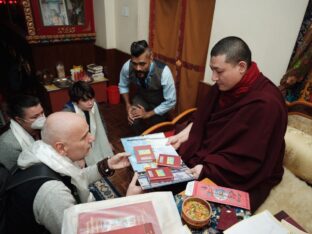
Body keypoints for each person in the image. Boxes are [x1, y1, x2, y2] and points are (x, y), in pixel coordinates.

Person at [168, 36, 287, 212]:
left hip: (233, 167)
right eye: (212, 70)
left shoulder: (266, 104)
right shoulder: (225, 85)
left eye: (219, 71)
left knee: (188, 205)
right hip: (212, 150)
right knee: (166, 173)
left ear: (241, 67)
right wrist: (189, 130)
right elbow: (204, 116)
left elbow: (249, 157)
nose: (214, 77)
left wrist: (207, 169)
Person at [6, 112, 141, 234]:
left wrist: (107, 165)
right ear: (61, 147)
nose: (92, 138)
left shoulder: (46, 152)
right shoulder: (53, 194)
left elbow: (77, 177)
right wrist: (129, 202)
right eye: (84, 137)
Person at [118, 40, 176, 134]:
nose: (138, 68)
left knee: (154, 129)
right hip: (142, 98)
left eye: (142, 64)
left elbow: (171, 101)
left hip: (159, 103)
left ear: (151, 57)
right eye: (135, 63)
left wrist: (148, 114)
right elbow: (123, 85)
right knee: (134, 120)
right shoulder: (127, 66)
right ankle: (138, 141)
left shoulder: (164, 72)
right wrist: (128, 105)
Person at [63, 81, 113, 166]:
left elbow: (101, 121)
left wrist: (106, 140)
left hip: (92, 139)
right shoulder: (68, 112)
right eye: (84, 100)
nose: (90, 103)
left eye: (91, 98)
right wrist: (78, 158)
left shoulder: (93, 103)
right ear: (76, 102)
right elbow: (68, 139)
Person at [0, 95, 45, 170]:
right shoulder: (8, 145)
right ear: (19, 120)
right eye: (35, 117)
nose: (42, 119)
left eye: (42, 113)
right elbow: (15, 176)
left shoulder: (44, 128)